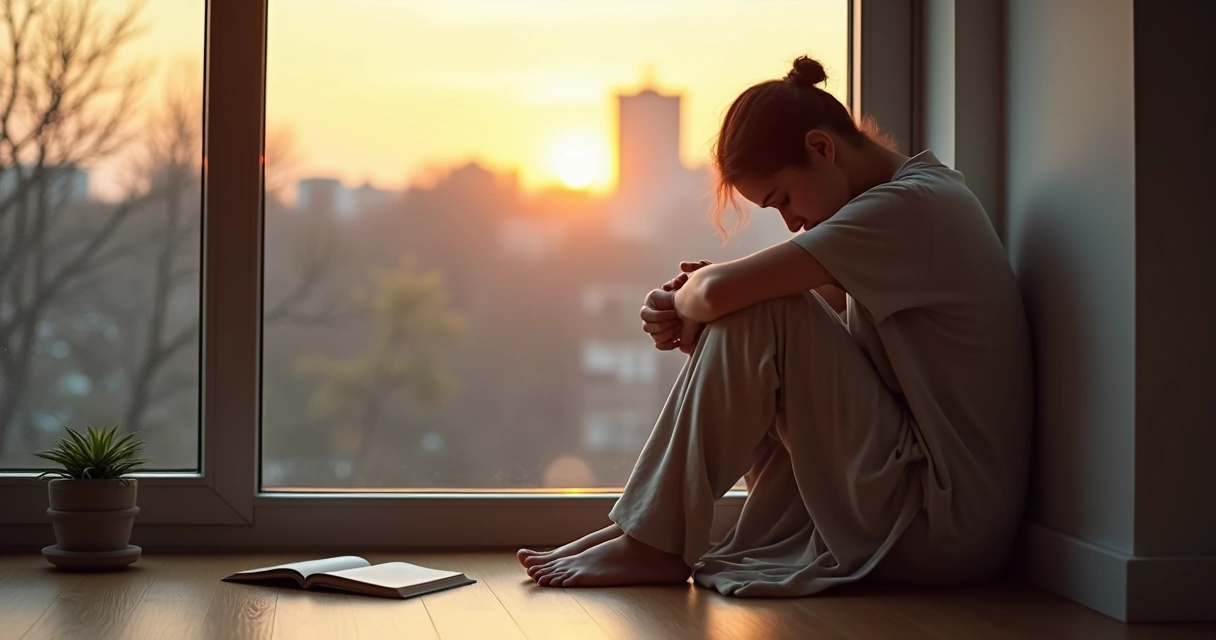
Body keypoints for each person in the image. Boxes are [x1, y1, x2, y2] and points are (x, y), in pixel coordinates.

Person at [517, 56, 1033, 596]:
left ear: (821, 147)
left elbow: (728, 294)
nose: (790, 222)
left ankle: (652, 538)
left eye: (783, 198)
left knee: (766, 304)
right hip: (930, 504)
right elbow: (766, 308)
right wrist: (698, 303)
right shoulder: (909, 203)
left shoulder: (911, 208)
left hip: (940, 523)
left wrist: (700, 295)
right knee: (763, 303)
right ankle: (644, 529)